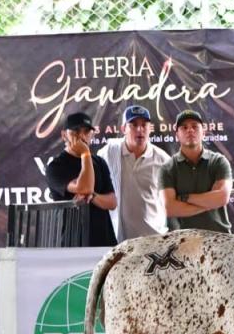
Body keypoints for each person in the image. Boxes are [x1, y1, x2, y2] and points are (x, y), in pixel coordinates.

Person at [96, 104, 171, 242]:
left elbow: (170, 202)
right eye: (134, 125)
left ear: (150, 128)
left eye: (144, 125)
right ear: (124, 128)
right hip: (116, 241)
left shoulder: (163, 160)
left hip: (152, 239)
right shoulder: (108, 153)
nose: (140, 130)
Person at [44, 111, 117, 247]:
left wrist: (93, 196)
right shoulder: (55, 167)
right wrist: (85, 153)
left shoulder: (99, 162)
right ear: (64, 135)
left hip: (104, 240)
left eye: (86, 131)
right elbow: (84, 187)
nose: (82, 136)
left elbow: (112, 202)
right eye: (76, 131)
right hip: (73, 243)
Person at [159, 110, 233, 233]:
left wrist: (184, 198)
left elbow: (222, 197)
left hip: (220, 238)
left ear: (203, 132)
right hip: (182, 241)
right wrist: (209, 202)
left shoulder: (218, 161)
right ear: (177, 134)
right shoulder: (168, 168)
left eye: (195, 126)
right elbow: (169, 208)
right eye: (184, 127)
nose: (190, 130)